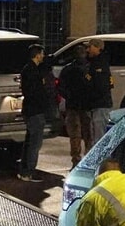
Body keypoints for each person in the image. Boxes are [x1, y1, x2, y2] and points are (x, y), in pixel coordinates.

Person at [17, 43, 51, 181]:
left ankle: (25, 170)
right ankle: (28, 172)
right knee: (34, 143)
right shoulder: (32, 71)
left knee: (30, 142)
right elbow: (35, 92)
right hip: (34, 111)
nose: (43, 56)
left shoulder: (30, 69)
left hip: (32, 110)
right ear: (37, 55)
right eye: (42, 53)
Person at [59, 44, 97, 164]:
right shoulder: (90, 68)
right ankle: (87, 159)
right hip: (84, 105)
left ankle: (76, 159)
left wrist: (69, 96)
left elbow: (61, 87)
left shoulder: (68, 69)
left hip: (75, 105)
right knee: (87, 134)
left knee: (76, 135)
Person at [83, 39, 114, 141]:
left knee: (100, 138)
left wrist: (90, 98)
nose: (88, 50)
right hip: (97, 105)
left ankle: (101, 156)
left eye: (90, 47)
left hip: (100, 105)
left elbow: (101, 86)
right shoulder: (95, 62)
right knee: (96, 135)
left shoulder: (100, 63)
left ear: (98, 48)